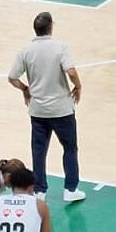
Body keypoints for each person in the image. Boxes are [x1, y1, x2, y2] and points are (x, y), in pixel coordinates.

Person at [8, 12, 84, 202]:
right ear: (51, 27)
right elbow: (71, 71)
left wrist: (25, 89)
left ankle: (39, 191)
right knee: (70, 148)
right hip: (62, 110)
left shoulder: (25, 51)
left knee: (39, 152)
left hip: (38, 111)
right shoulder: (60, 47)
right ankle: (70, 189)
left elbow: (12, 77)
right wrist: (78, 85)